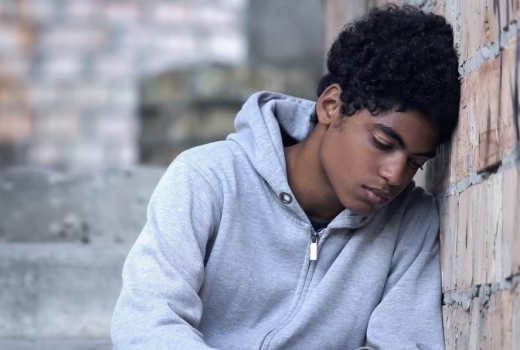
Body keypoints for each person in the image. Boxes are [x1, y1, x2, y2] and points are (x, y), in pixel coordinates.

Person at [111, 4, 459, 349]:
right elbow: (147, 320)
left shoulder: (411, 222)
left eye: (415, 162)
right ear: (331, 106)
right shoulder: (208, 179)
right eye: (382, 143)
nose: (395, 175)